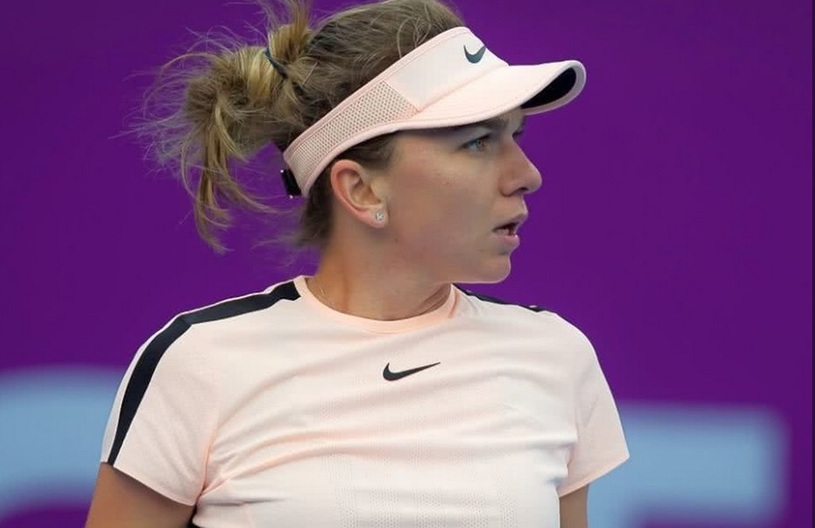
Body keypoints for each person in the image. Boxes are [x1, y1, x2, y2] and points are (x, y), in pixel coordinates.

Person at [84, 0, 629, 526]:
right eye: (478, 142)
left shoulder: (557, 356)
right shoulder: (199, 363)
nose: (527, 174)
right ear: (361, 189)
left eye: (516, 135)